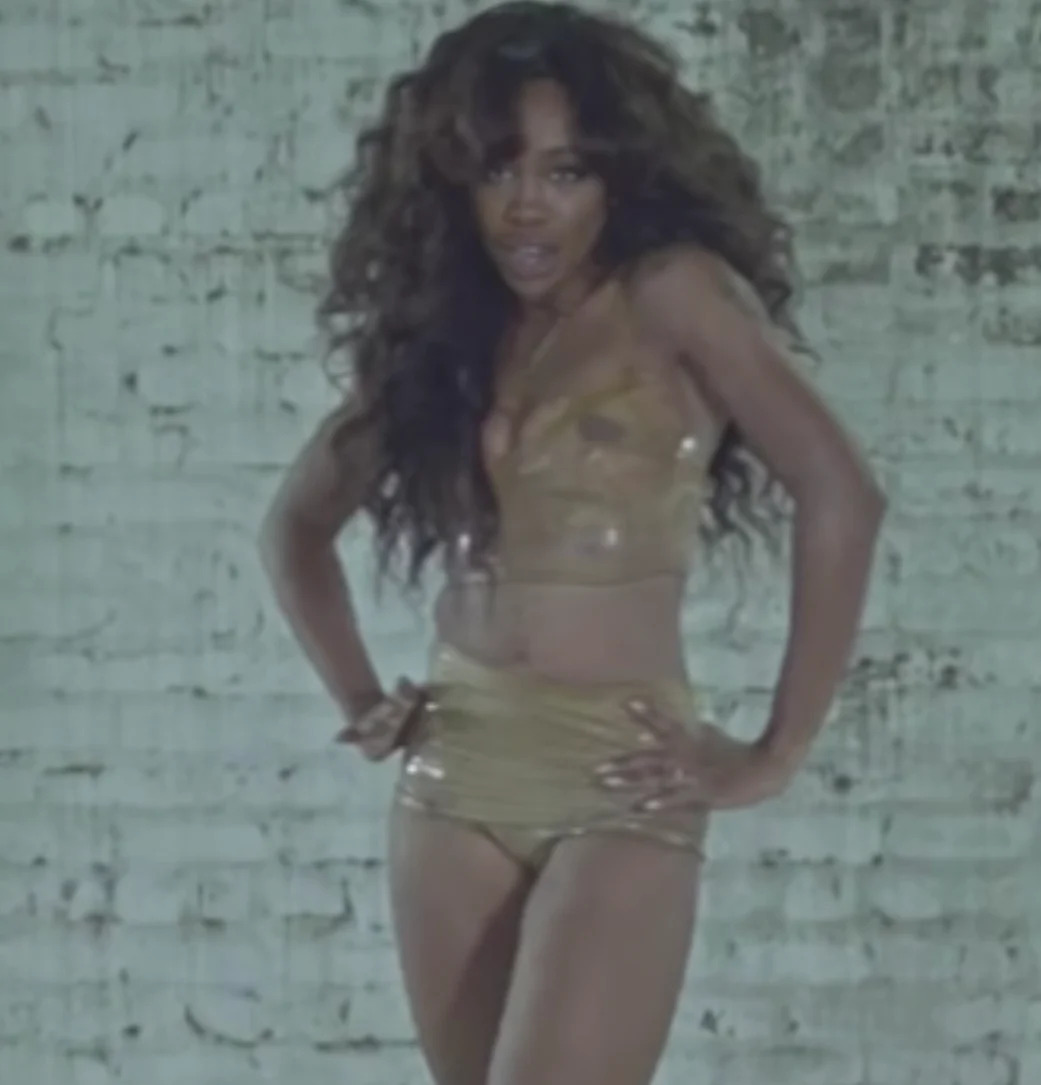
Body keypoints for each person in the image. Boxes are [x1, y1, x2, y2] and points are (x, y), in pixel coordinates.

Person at [258, 2, 887, 1082]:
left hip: (620, 768)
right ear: (452, 178)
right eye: (498, 170)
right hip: (457, 765)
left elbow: (842, 494)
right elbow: (295, 526)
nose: (526, 206)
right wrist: (361, 696)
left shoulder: (673, 293)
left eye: (564, 172)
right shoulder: (447, 329)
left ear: (616, 178)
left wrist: (775, 751)